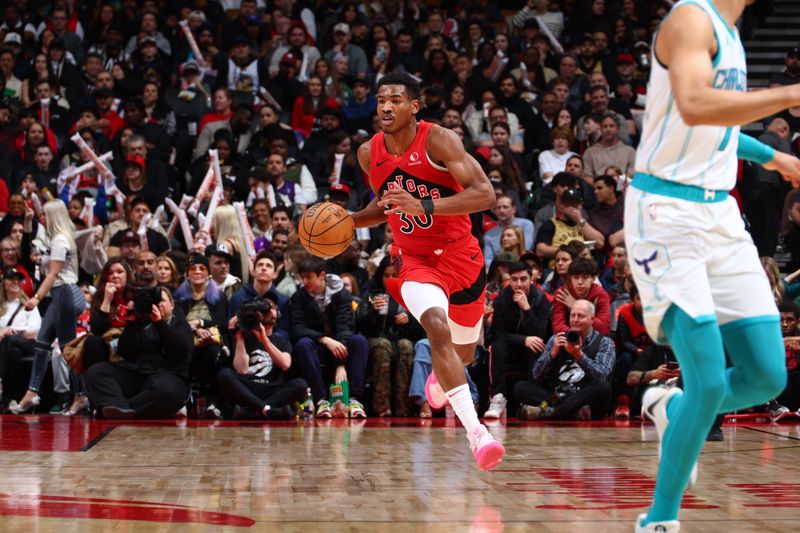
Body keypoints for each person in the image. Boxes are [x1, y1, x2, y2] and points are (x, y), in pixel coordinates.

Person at [625, 1, 800, 531]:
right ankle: (659, 519)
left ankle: (673, 410)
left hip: (719, 213)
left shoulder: (729, 30)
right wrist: (792, 95)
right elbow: (698, 104)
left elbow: (705, 128)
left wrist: (770, 156)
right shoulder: (690, 19)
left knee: (767, 374)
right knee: (705, 379)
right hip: (665, 212)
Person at [351, 72, 505, 470]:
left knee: (464, 351)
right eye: (381, 99)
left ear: (414, 106)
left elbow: (485, 194)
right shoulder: (369, 153)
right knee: (436, 325)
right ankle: (477, 433)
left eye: (396, 100)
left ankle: (444, 376)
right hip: (413, 259)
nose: (386, 106)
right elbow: (381, 208)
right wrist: (347, 221)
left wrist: (426, 206)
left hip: (461, 256)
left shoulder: (440, 140)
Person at [12, 200, 86, 414]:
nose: (40, 218)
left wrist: (36, 297)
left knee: (66, 348)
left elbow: (53, 274)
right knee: (42, 343)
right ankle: (32, 392)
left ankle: (81, 395)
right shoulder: (55, 238)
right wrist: (27, 224)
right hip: (61, 295)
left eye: (43, 215)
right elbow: (31, 253)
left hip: (65, 293)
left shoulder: (61, 240)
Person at [83, 286, 193, 419]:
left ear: (172, 304)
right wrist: (131, 322)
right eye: (154, 302)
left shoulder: (179, 322)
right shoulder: (140, 321)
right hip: (136, 374)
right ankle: (121, 408)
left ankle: (119, 408)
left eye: (161, 301)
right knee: (96, 372)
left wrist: (159, 322)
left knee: (167, 391)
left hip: (167, 375)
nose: (158, 305)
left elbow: (180, 352)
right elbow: (126, 352)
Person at [290, 256, 368, 419]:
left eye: (309, 277)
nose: (305, 281)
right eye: (303, 277)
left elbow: (345, 328)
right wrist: (324, 339)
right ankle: (321, 400)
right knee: (303, 344)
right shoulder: (299, 296)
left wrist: (341, 364)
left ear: (322, 275)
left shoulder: (342, 294)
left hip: (341, 344)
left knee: (359, 341)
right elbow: (297, 328)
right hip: (318, 346)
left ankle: (354, 400)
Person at [516, 299, 615, 421]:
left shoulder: (605, 343)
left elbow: (602, 375)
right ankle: (571, 413)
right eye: (573, 315)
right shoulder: (557, 339)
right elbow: (536, 375)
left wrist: (579, 355)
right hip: (556, 396)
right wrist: (552, 354)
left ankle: (548, 412)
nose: (575, 319)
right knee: (520, 387)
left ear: (592, 319)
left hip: (583, 396)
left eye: (581, 316)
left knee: (603, 387)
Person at [216, 291, 307, 420]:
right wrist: (239, 336)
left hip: (271, 389)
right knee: (224, 374)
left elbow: (286, 364)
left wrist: (264, 339)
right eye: (265, 308)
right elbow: (242, 370)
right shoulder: (241, 338)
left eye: (273, 308)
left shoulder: (283, 342)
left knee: (300, 384)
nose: (269, 311)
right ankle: (267, 410)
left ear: (278, 314)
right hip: (247, 388)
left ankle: (252, 411)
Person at [485, 262, 552, 419]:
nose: (519, 284)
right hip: (510, 346)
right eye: (514, 279)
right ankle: (497, 397)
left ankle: (529, 398)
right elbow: (497, 333)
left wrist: (527, 309)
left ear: (531, 280)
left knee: (537, 345)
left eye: (523, 279)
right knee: (496, 346)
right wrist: (523, 340)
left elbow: (541, 334)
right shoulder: (502, 298)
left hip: (531, 348)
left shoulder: (542, 300)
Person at [0, 267, 42, 409]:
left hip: (29, 344)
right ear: (3, 282)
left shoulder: (29, 305)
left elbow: (35, 330)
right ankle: (11, 398)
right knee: (14, 352)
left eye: (18, 280)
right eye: (12, 279)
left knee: (10, 340)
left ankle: (1, 382)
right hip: (8, 347)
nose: (15, 282)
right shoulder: (1, 306)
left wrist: (13, 330)